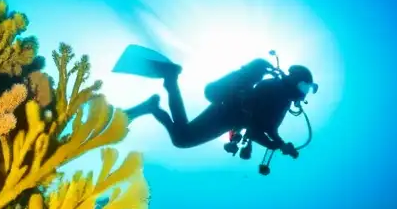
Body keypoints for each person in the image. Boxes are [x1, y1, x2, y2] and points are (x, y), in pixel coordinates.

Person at [120, 50, 316, 157]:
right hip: (227, 114)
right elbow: (259, 129)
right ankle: (167, 85)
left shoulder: (278, 93)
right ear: (295, 80)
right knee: (182, 139)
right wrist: (277, 144)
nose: (303, 93)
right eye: (304, 86)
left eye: (306, 90)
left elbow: (263, 127)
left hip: (227, 113)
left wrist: (277, 144)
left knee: (183, 137)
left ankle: (153, 104)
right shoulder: (278, 93)